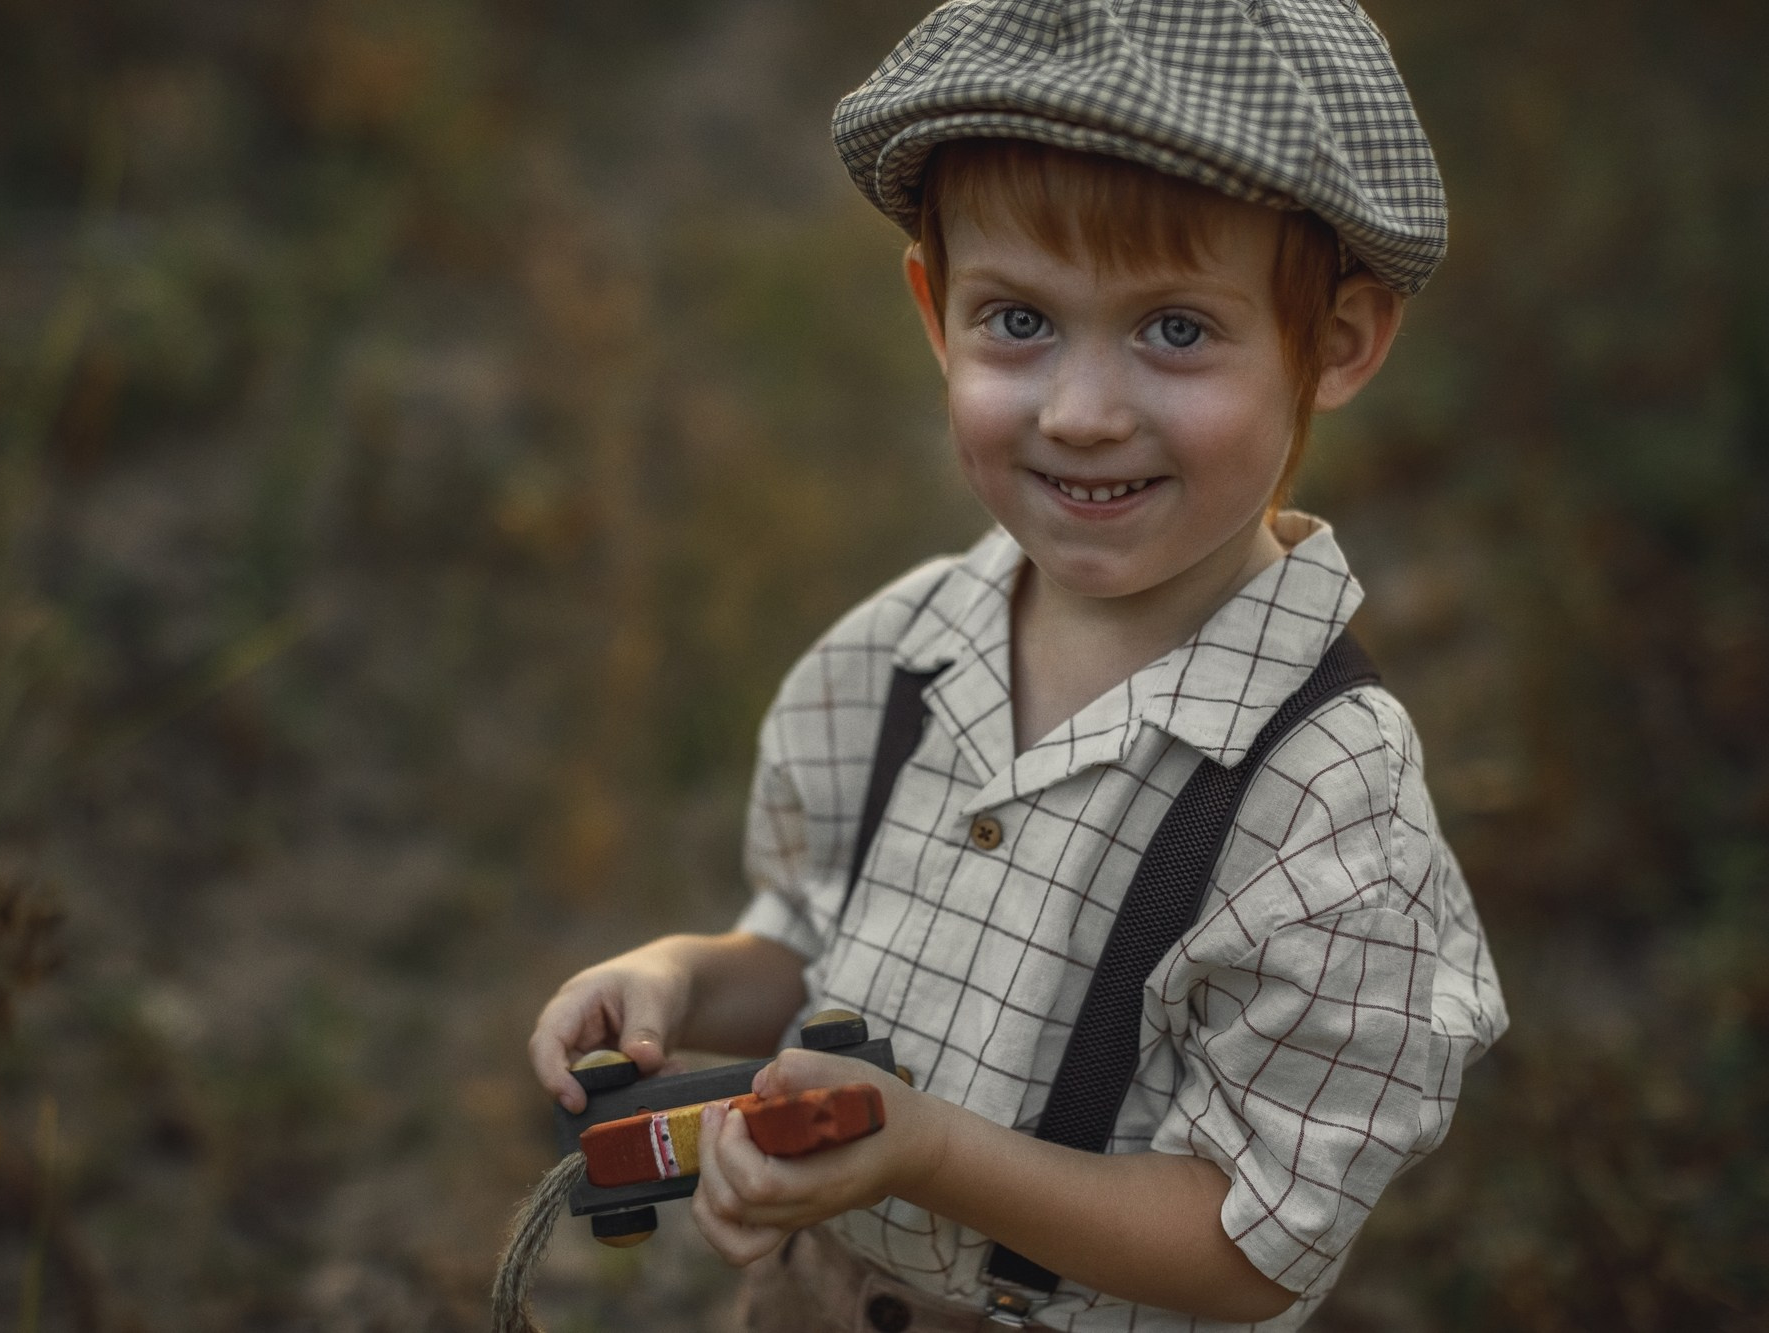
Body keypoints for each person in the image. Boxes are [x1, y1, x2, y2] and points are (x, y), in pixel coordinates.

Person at [527, 2, 1508, 1327]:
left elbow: (1253, 1243)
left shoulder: (1328, 804)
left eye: (1174, 329)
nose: (1083, 411)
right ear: (936, 311)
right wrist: (687, 979)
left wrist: (935, 1151)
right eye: (1019, 320)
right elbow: (828, 936)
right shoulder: (897, 650)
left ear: (1335, 343)